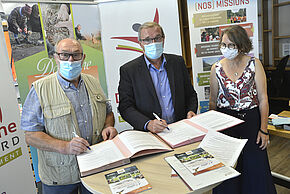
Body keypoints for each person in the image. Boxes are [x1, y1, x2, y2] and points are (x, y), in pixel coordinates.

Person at [21, 38, 118, 194]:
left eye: (76, 55)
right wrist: (64, 146)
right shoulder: (40, 89)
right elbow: (31, 135)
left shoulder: (93, 82)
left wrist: (108, 126)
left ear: (83, 58)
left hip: (96, 167)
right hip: (60, 176)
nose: (71, 60)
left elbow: (108, 112)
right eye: (64, 55)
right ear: (56, 57)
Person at [209, 25, 276, 194]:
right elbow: (212, 101)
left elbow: (263, 98)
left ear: (241, 45)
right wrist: (214, 132)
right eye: (223, 45)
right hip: (226, 122)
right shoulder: (216, 68)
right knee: (228, 170)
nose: (226, 49)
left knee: (255, 168)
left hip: (251, 121)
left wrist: (264, 129)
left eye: (231, 45)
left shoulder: (255, 64)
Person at [118, 22, 198, 133]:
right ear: (140, 43)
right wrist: (147, 124)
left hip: (181, 129)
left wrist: (191, 110)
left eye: (157, 38)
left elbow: (190, 95)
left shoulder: (177, 62)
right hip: (150, 134)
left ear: (163, 39)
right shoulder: (129, 70)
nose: (153, 43)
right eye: (147, 40)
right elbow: (125, 107)